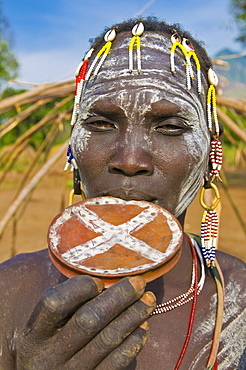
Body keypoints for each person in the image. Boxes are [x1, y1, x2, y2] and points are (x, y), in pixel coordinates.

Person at [0, 18, 245, 370]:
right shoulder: (9, 292)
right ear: (73, 149)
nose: (130, 160)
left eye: (170, 127)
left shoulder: (239, 301)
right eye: (100, 123)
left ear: (211, 156)